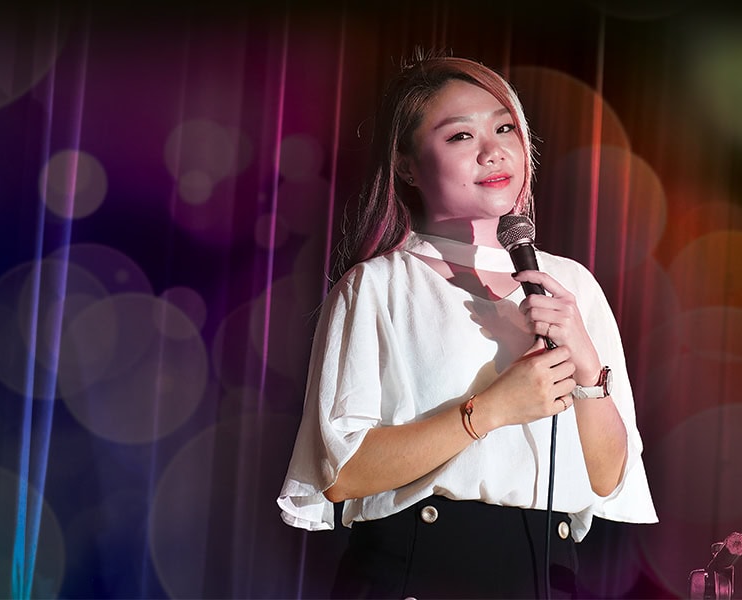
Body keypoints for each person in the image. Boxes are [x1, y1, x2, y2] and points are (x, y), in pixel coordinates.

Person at [277, 54, 657, 599]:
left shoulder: (570, 285)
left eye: (504, 129)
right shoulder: (378, 287)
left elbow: (608, 479)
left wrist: (588, 369)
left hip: (548, 574)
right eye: (460, 136)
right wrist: (494, 409)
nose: (493, 151)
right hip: (419, 569)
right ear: (407, 164)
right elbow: (341, 473)